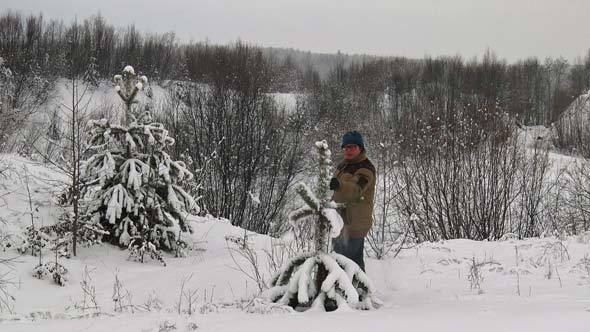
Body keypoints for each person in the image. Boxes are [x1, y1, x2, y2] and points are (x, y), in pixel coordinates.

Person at [330, 131, 376, 272]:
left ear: (360, 148)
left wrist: (340, 185)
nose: (348, 150)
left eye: (352, 147)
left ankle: (359, 291)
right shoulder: (344, 165)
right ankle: (346, 290)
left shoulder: (366, 169)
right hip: (340, 220)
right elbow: (336, 191)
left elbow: (356, 189)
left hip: (354, 223)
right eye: (346, 147)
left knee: (351, 264)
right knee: (340, 261)